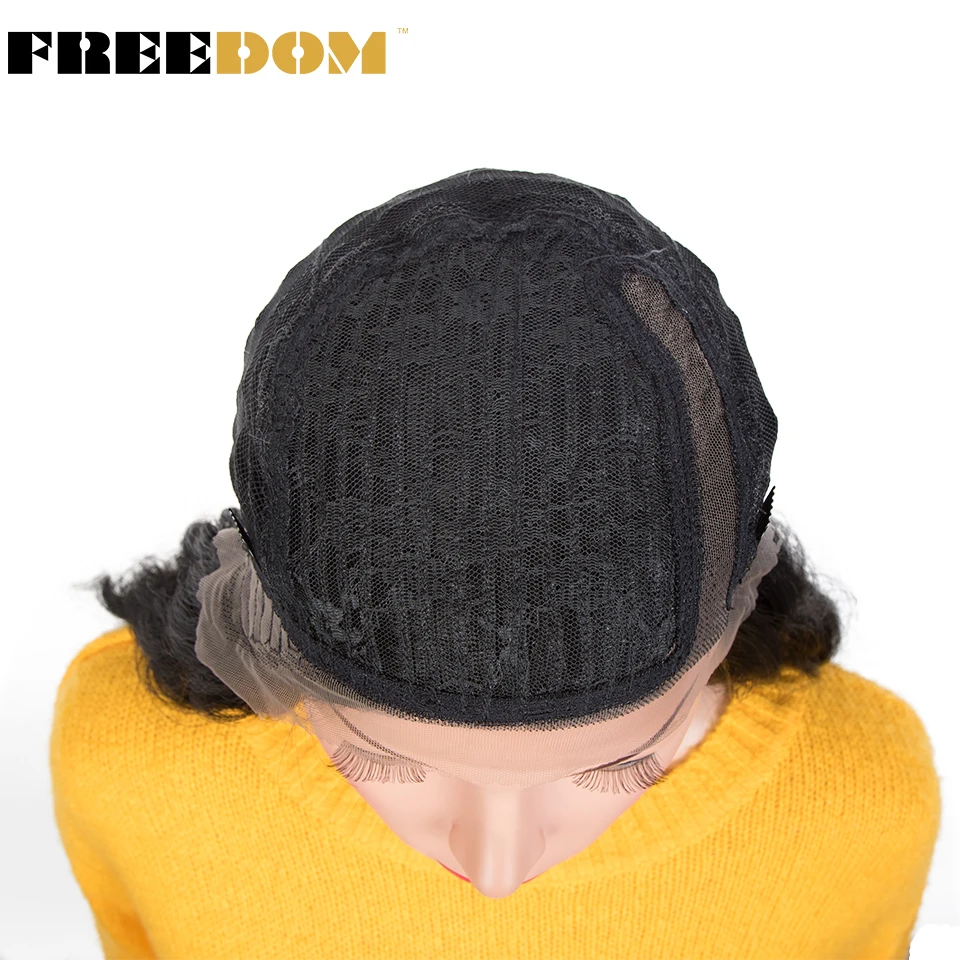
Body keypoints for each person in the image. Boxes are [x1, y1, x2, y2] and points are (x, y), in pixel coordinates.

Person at [51, 169, 941, 959]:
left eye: (618, 766)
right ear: (262, 627)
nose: (498, 872)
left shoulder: (862, 806)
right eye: (384, 761)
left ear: (734, 619)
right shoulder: (130, 768)